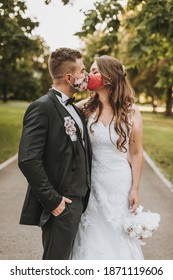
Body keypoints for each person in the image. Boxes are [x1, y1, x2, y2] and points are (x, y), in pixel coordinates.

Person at [18, 48, 92, 260]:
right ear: (70, 77)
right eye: (83, 70)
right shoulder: (42, 107)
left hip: (80, 201)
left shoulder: (75, 109)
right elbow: (28, 159)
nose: (86, 75)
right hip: (62, 204)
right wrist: (54, 202)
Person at [71, 55, 144, 259]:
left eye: (94, 71)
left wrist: (135, 189)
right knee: (91, 234)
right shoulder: (83, 108)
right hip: (91, 184)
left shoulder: (131, 111)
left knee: (117, 235)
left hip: (119, 183)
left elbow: (137, 153)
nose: (89, 75)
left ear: (109, 78)